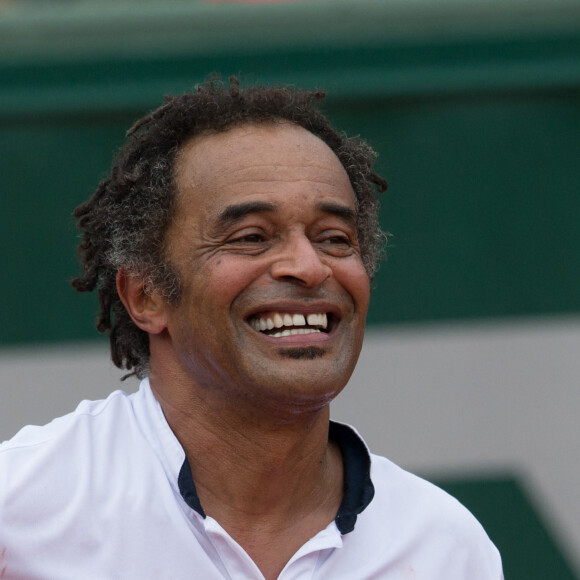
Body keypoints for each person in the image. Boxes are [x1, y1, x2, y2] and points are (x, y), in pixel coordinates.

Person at [0, 78, 503, 579]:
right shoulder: (19, 509)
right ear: (146, 296)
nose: (309, 267)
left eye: (334, 238)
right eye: (251, 237)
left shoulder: (445, 547)